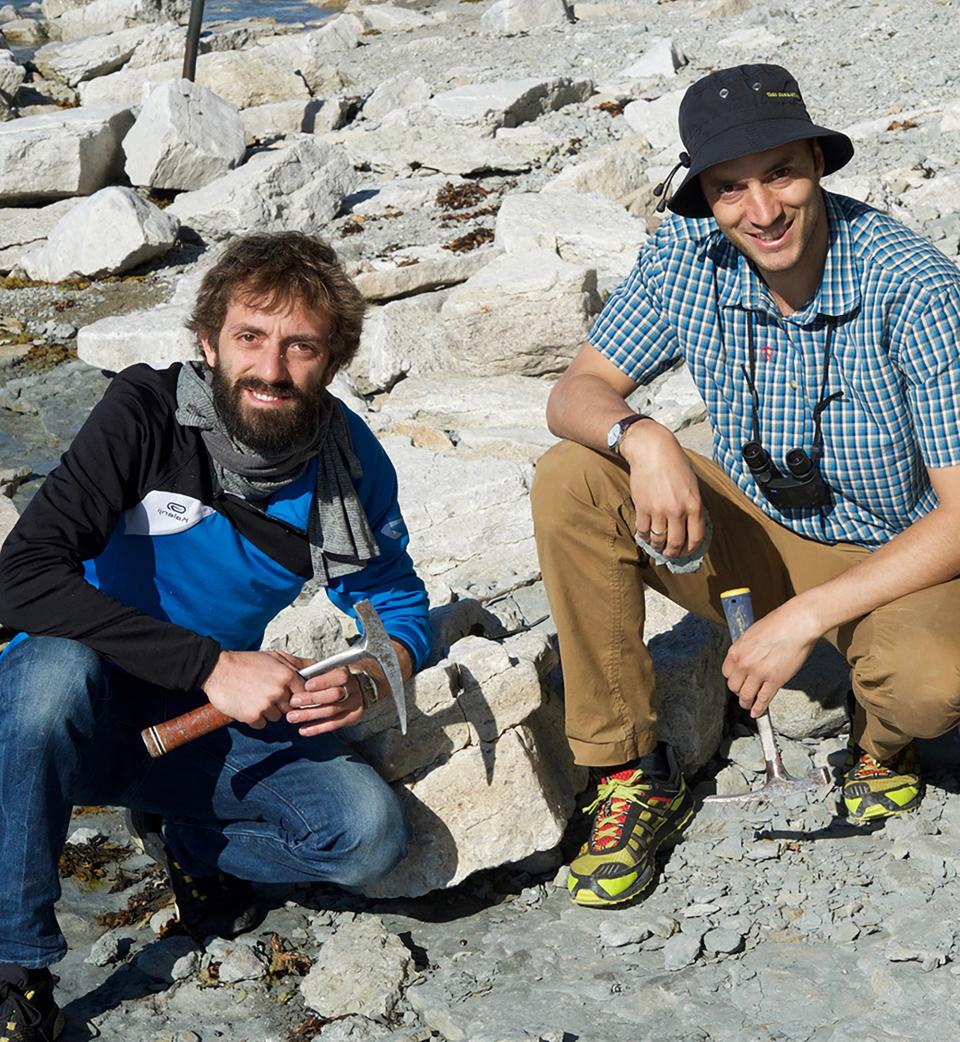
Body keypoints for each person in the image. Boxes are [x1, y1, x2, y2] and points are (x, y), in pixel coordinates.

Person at [531, 64, 960, 909]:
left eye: (780, 175)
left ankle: (881, 746)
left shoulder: (916, 288)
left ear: (817, 164)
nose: (761, 212)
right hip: (757, 541)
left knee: (930, 684)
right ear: (706, 196)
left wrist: (805, 618)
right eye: (730, 188)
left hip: (902, 559)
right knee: (574, 476)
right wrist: (642, 435)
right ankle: (629, 771)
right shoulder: (686, 257)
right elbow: (572, 393)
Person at [0, 231, 432, 1037]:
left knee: (366, 835)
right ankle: (14, 968)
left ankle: (190, 843)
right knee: (55, 677)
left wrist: (373, 676)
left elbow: (397, 607)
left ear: (333, 361)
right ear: (207, 342)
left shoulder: (349, 463)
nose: (270, 371)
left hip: (197, 730)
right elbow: (23, 575)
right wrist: (210, 665)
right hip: (67, 715)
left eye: (300, 347)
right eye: (250, 338)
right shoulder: (145, 412)